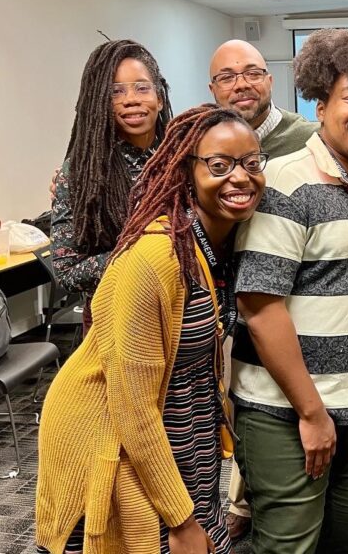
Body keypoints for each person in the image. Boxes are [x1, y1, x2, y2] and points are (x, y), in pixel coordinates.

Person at [35, 104, 267, 553]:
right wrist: (180, 518)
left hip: (178, 427)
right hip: (111, 434)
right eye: (219, 165)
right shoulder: (155, 258)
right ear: (184, 171)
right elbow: (133, 406)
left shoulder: (216, 243)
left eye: (252, 163)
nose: (241, 177)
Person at [229, 27, 348, 554]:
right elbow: (260, 310)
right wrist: (312, 413)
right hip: (287, 411)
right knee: (291, 544)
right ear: (320, 102)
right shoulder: (285, 183)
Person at [208, 38, 319, 540]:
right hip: (222, 299)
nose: (242, 84)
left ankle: (258, 497)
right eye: (228, 77)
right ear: (213, 89)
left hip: (290, 297)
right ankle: (244, 492)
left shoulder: (309, 139)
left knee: (282, 390)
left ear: (272, 80)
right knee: (238, 395)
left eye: (252, 72)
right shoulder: (206, 140)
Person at [51, 39, 172, 332]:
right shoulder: (84, 173)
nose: (131, 99)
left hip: (186, 318)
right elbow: (66, 271)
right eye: (115, 92)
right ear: (100, 103)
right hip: (117, 324)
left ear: (159, 96)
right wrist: (143, 252)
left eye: (142, 87)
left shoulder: (184, 159)